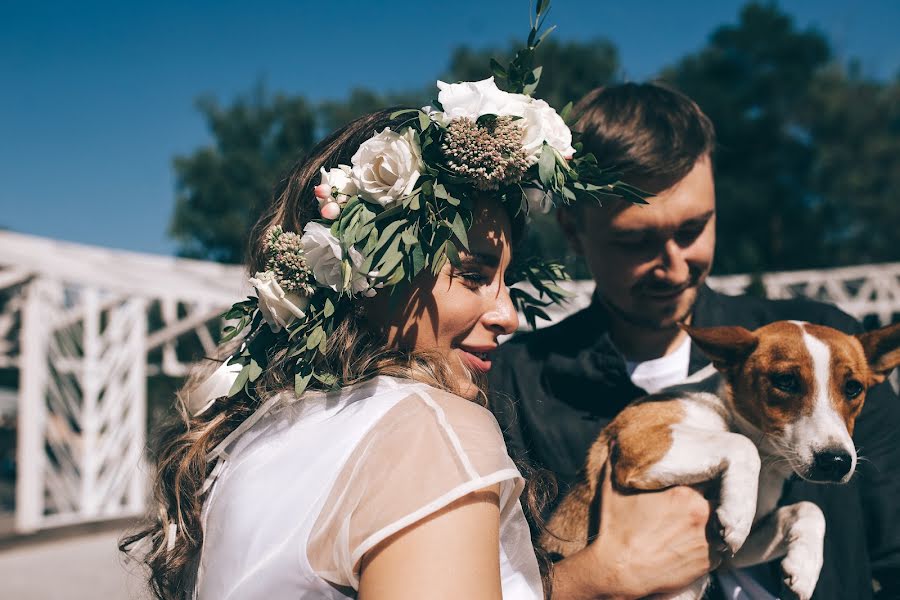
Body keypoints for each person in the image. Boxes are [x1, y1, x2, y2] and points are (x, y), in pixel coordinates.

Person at [118, 39, 649, 595]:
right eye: (472, 275)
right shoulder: (427, 428)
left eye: (505, 283)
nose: (508, 315)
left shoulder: (258, 434)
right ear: (372, 272)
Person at [488, 82, 900, 599]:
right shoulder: (513, 387)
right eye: (636, 240)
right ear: (572, 228)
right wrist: (590, 580)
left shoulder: (830, 346)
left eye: (693, 228)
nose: (675, 266)